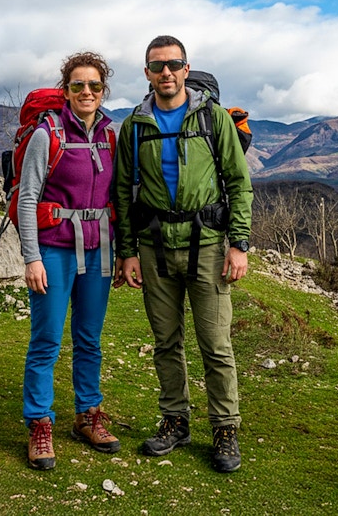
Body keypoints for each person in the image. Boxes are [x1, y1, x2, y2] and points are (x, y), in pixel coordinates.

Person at [114, 35, 253, 473]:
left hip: (209, 246)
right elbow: (122, 191)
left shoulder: (212, 118)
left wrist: (239, 243)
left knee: (215, 344)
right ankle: (175, 420)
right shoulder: (134, 126)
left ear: (186, 68)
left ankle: (225, 428)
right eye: (158, 66)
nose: (166, 72)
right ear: (147, 73)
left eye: (173, 64)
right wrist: (127, 251)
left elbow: (238, 181)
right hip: (154, 249)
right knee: (165, 342)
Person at [17, 51, 120, 470]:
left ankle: (87, 414)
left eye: (94, 85)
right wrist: (31, 257)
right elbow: (27, 198)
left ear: (103, 90)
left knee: (89, 339)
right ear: (66, 90)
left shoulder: (113, 135)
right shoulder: (48, 134)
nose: (86, 92)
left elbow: (120, 197)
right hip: (54, 250)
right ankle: (40, 422)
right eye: (78, 85)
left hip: (99, 252)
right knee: (46, 341)